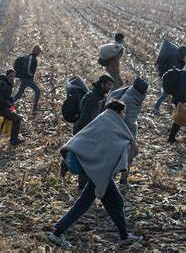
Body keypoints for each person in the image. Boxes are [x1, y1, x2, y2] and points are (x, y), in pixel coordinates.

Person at [50, 100, 143, 250]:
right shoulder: (110, 122)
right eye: (123, 112)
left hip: (97, 169)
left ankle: (124, 235)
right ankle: (57, 232)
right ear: (118, 112)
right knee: (87, 203)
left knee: (113, 202)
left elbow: (104, 145)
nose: (124, 115)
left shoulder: (104, 120)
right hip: (97, 170)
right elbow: (111, 144)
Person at [74, 75, 114, 190]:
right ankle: (82, 186)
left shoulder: (101, 96)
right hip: (85, 131)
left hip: (92, 132)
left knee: (88, 158)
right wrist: (87, 134)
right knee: (85, 159)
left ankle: (85, 184)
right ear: (102, 84)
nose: (110, 88)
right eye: (109, 85)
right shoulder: (92, 97)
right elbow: (84, 119)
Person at [108, 77, 148, 185]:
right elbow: (128, 119)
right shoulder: (130, 99)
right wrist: (131, 138)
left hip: (120, 128)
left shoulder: (130, 93)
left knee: (124, 154)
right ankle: (118, 179)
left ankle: (120, 178)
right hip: (125, 130)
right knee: (126, 154)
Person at [0, 69, 24, 147]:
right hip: (1, 108)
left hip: (3, 106)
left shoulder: (8, 83)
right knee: (17, 119)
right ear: (7, 75)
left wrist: (11, 100)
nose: (12, 78)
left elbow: (4, 95)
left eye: (14, 76)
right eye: (10, 76)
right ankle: (13, 140)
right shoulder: (2, 83)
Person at [152, 45, 186, 115]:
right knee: (164, 95)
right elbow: (170, 68)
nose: (185, 55)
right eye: (185, 53)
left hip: (173, 81)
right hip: (169, 80)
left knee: (165, 94)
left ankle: (168, 111)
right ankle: (155, 108)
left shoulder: (180, 61)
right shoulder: (173, 57)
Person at [12, 45, 43, 114]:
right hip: (27, 79)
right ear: (38, 51)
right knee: (37, 91)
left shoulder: (30, 57)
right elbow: (28, 69)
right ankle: (34, 110)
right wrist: (30, 75)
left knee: (19, 94)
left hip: (25, 78)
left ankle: (8, 103)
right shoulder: (32, 58)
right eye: (40, 51)